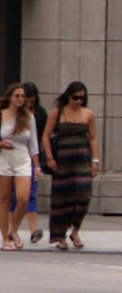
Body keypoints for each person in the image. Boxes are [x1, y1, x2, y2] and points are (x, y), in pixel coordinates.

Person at [0, 82, 40, 251]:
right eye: (17, 95)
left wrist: (37, 167)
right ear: (10, 97)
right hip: (4, 158)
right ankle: (5, 239)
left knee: (23, 198)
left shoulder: (29, 116)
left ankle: (13, 230)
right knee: (5, 200)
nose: (20, 99)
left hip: (22, 158)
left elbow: (34, 144)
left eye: (22, 96)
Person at [43, 81, 99, 250]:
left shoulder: (88, 114)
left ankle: (75, 230)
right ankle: (60, 236)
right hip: (63, 161)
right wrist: (50, 158)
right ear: (68, 96)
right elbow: (45, 135)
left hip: (82, 160)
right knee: (62, 198)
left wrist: (95, 161)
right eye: (75, 97)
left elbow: (93, 138)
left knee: (83, 196)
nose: (78, 101)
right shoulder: (57, 113)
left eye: (82, 98)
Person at [12, 81, 48, 244]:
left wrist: (39, 164)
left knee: (29, 195)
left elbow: (38, 140)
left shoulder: (39, 114)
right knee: (14, 196)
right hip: (13, 156)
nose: (28, 105)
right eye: (26, 101)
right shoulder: (13, 114)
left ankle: (33, 230)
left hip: (31, 157)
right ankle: (13, 230)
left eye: (31, 102)